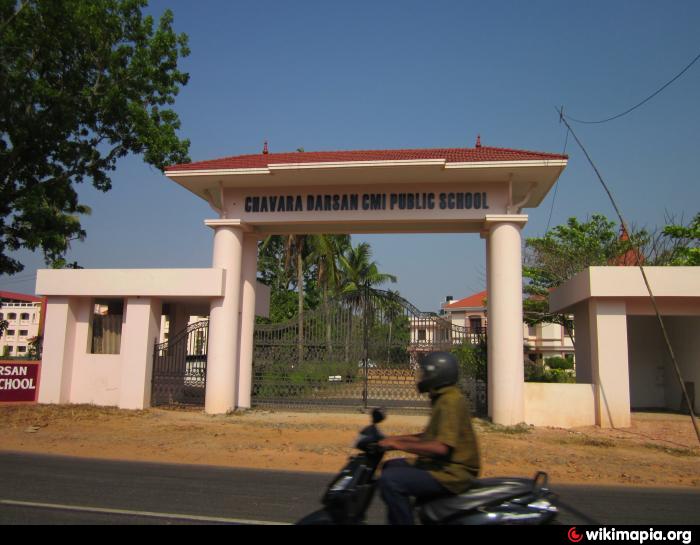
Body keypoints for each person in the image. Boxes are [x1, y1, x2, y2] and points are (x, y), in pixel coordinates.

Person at [377, 351, 481, 525]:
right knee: (390, 466)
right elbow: (427, 437)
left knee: (391, 481)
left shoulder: (450, 401)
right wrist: (394, 440)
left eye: (426, 373)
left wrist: (397, 444)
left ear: (437, 374)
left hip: (454, 473)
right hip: (442, 466)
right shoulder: (442, 398)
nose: (422, 377)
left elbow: (440, 446)